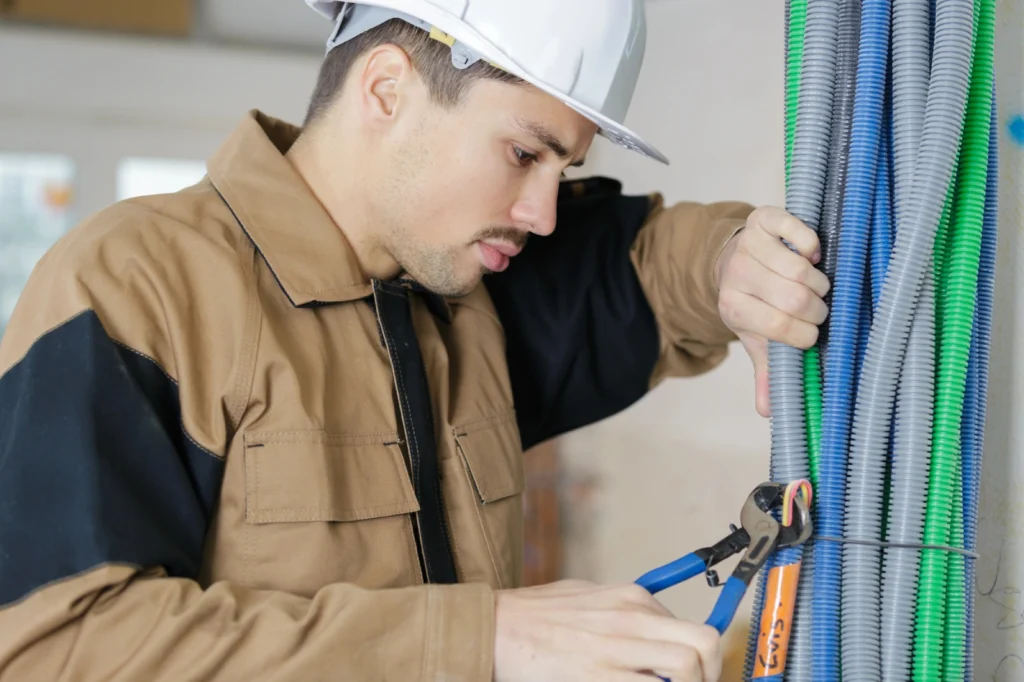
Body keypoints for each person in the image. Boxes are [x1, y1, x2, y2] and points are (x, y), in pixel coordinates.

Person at [0, 1, 829, 680]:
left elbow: (649, 262)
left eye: (561, 171)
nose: (541, 213)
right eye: (522, 153)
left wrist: (736, 264)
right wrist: (485, 640)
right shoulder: (136, 284)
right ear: (388, 89)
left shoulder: (469, 282)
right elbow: (57, 646)